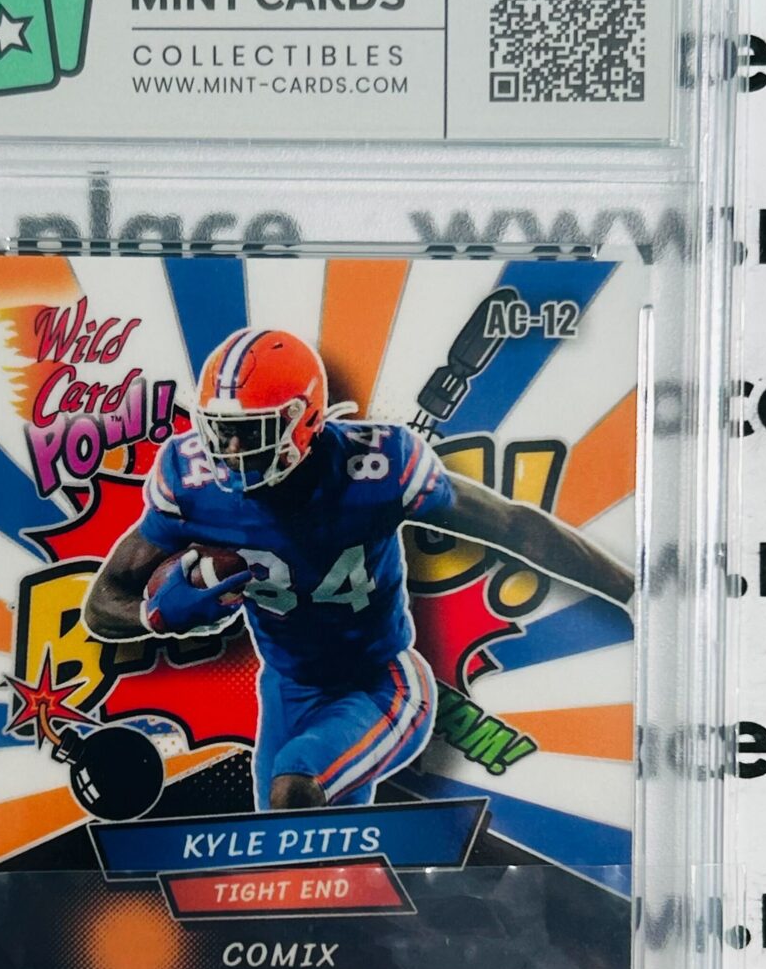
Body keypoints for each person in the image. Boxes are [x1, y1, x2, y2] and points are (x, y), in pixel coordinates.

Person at [83, 328, 632, 809]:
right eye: (218, 428)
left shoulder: (378, 466)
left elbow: (515, 526)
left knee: (294, 788)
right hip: (285, 688)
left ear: (304, 420)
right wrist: (155, 617)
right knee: (293, 852)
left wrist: (634, 591)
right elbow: (103, 603)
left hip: (380, 683)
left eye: (249, 431)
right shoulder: (191, 481)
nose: (228, 448)